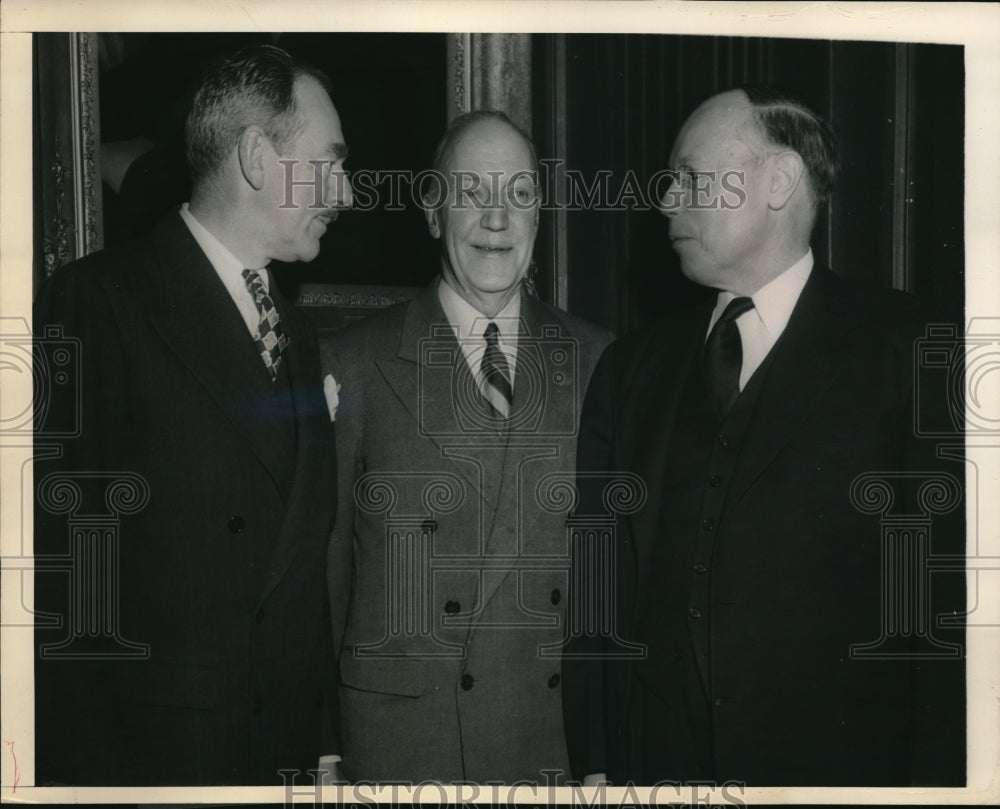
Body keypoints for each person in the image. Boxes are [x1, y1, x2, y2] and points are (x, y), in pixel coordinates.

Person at [563, 85, 965, 787]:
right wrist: (597, 758)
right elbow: (600, 583)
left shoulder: (914, 350)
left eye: (689, 176)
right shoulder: (631, 367)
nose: (664, 201)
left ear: (777, 183)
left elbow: (942, 609)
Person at [33, 44, 352, 785]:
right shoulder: (97, 303)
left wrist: (325, 749)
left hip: (282, 761)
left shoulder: (299, 336)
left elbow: (303, 580)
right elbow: (63, 583)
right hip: (160, 763)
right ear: (255, 158)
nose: (347, 191)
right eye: (330, 163)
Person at [322, 110, 610, 784]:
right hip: (401, 749)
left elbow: (609, 581)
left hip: (548, 750)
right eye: (472, 192)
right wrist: (324, 751)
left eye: (517, 194)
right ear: (431, 210)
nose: (497, 218)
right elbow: (324, 580)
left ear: (540, 216)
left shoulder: (600, 360)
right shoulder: (353, 362)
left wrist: (606, 753)